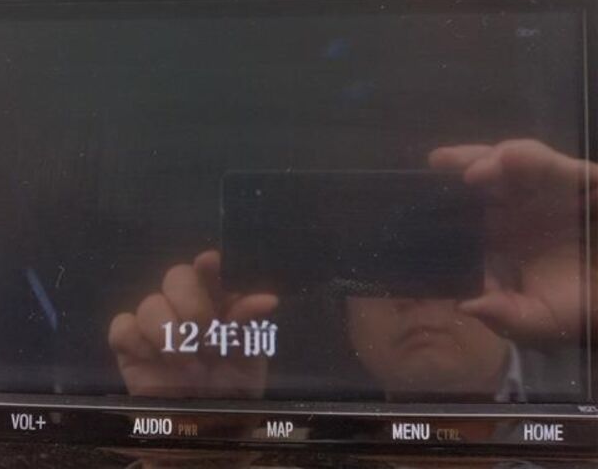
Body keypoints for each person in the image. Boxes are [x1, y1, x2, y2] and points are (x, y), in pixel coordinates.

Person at [108, 139, 597, 401]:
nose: (410, 293)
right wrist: (199, 452)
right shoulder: (288, 446)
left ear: (511, 270)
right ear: (343, 310)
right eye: (379, 263)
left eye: (437, 255)